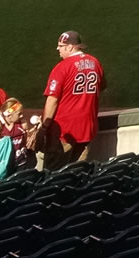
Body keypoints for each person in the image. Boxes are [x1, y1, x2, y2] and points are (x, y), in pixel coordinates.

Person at [38, 31, 105, 169]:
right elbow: (102, 85)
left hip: (64, 133)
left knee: (54, 174)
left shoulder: (62, 67)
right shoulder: (95, 62)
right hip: (87, 129)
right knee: (78, 173)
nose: (58, 49)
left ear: (70, 47)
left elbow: (52, 100)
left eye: (60, 46)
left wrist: (44, 126)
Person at [0, 96, 35, 175]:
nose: (22, 116)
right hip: (4, 166)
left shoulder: (22, 123)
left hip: (20, 165)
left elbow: (27, 143)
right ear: (9, 115)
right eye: (19, 114)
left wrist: (34, 131)